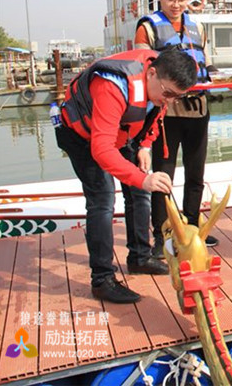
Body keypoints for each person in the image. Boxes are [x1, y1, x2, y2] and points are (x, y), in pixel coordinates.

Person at [55, 49, 198, 303]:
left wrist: (145, 146)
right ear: (151, 74)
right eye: (168, 94)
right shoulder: (112, 87)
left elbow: (155, 115)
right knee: (103, 200)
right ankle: (102, 280)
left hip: (123, 133)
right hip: (83, 136)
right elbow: (101, 150)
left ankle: (140, 257)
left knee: (140, 193)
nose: (170, 101)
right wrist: (142, 178)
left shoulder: (161, 83)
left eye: (178, 96)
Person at [134, 0, 219, 257]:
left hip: (198, 110)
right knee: (163, 176)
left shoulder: (198, 27)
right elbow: (143, 68)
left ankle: (193, 229)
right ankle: (162, 235)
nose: (176, 4)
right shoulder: (148, 28)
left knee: (196, 174)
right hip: (165, 114)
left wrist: (217, 76)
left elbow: (205, 62)